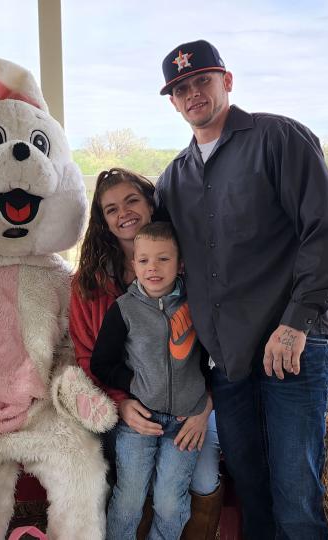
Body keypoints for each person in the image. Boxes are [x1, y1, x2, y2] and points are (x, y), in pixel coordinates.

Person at [155, 40, 328, 539]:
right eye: (181, 88)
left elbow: (325, 233)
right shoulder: (173, 178)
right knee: (253, 496)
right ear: (173, 102)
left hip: (293, 347)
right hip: (230, 361)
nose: (193, 93)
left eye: (202, 79)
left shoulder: (278, 138)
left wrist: (296, 323)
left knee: (295, 499)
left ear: (227, 81)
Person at [69, 168, 222, 539]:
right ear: (103, 222)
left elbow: (219, 353)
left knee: (198, 478)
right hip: (127, 403)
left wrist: (204, 409)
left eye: (132, 200)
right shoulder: (91, 284)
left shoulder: (191, 279)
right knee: (128, 484)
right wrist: (121, 402)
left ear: (151, 203)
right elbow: (92, 359)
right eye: (111, 209)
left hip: (192, 405)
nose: (124, 212)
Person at [90, 222, 208, 540]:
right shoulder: (124, 310)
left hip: (185, 425)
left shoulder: (197, 306)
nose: (152, 268)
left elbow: (214, 359)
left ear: (180, 263)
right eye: (144, 261)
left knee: (170, 504)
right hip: (138, 422)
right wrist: (135, 385)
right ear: (134, 265)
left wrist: (205, 401)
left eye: (163, 259)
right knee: (128, 501)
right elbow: (101, 363)